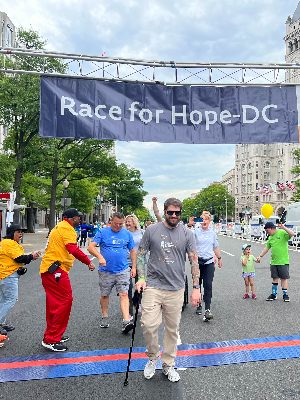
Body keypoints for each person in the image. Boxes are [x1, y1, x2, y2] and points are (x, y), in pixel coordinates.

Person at [135, 198, 201, 383]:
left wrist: (196, 288)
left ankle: (168, 364)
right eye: (170, 212)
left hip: (176, 288)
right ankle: (153, 357)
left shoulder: (187, 234)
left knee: (172, 329)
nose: (174, 215)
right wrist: (140, 278)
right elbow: (141, 255)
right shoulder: (152, 230)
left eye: (177, 213)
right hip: (154, 285)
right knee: (148, 324)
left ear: (180, 213)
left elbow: (194, 261)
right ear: (164, 212)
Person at [40, 208, 95, 352]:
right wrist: (88, 261)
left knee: (54, 304)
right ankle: (52, 339)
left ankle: (52, 335)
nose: (80, 220)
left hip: (49, 269)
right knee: (65, 301)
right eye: (78, 217)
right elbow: (73, 249)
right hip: (56, 270)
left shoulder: (58, 227)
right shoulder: (68, 229)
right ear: (72, 218)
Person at [87, 212, 137, 334]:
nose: (119, 226)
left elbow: (132, 251)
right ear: (111, 221)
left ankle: (126, 321)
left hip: (123, 269)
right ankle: (105, 316)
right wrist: (99, 257)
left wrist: (134, 267)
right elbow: (90, 247)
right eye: (116, 224)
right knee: (105, 294)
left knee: (124, 294)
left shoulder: (127, 234)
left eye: (121, 224)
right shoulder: (103, 232)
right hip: (106, 271)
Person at [0, 225, 41, 334]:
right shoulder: (10, 243)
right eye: (18, 232)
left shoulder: (4, 243)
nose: (20, 234)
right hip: (8, 275)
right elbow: (19, 258)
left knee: (3, 300)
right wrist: (31, 256)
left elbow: (16, 259)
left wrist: (31, 257)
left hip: (3, 275)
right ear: (11, 233)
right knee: (11, 299)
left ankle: (2, 323)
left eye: (21, 232)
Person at [189, 211, 222, 321]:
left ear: (209, 221)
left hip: (209, 262)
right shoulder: (195, 232)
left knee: (208, 285)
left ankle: (207, 309)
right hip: (198, 262)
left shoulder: (212, 233)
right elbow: (188, 237)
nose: (204, 221)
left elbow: (215, 247)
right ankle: (199, 305)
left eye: (206, 219)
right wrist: (190, 224)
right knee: (198, 284)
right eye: (202, 219)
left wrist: (220, 258)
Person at [257, 222, 295, 302]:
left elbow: (292, 234)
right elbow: (266, 248)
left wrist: (284, 227)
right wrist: (260, 256)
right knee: (275, 278)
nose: (267, 233)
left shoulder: (281, 233)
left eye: (267, 231)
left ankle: (285, 294)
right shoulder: (270, 237)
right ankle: (274, 294)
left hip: (283, 261)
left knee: (283, 278)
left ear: (271, 228)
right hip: (274, 262)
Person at [125, 214, 143, 317]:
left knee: (139, 286)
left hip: (139, 262)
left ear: (134, 223)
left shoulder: (141, 233)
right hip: (126, 263)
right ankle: (129, 311)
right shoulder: (123, 233)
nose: (127, 223)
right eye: (126, 222)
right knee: (128, 287)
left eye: (129, 221)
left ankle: (136, 301)